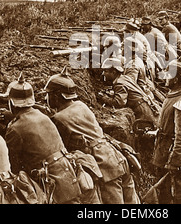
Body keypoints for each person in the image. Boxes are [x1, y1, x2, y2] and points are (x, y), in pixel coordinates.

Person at [44, 70, 140, 204]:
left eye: (48, 94)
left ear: (56, 96)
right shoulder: (81, 105)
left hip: (106, 168)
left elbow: (63, 148)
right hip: (117, 158)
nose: (46, 98)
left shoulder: (59, 119)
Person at [4, 76, 83, 204]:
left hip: (49, 182)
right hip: (68, 173)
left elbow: (14, 166)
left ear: (11, 103)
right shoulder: (43, 115)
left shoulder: (14, 128)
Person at [151, 60, 181, 204]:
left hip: (176, 156)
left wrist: (175, 162)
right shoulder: (172, 95)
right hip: (165, 150)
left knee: (180, 194)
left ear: (176, 79)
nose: (165, 78)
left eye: (168, 75)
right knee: (163, 191)